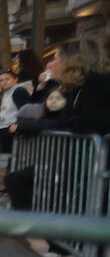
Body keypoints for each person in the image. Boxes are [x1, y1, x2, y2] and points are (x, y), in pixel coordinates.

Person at [7, 38, 110, 210]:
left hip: (92, 165)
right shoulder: (77, 87)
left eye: (56, 58)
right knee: (17, 179)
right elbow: (60, 118)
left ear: (72, 61)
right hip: (80, 164)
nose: (51, 63)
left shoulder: (98, 84)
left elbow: (85, 123)